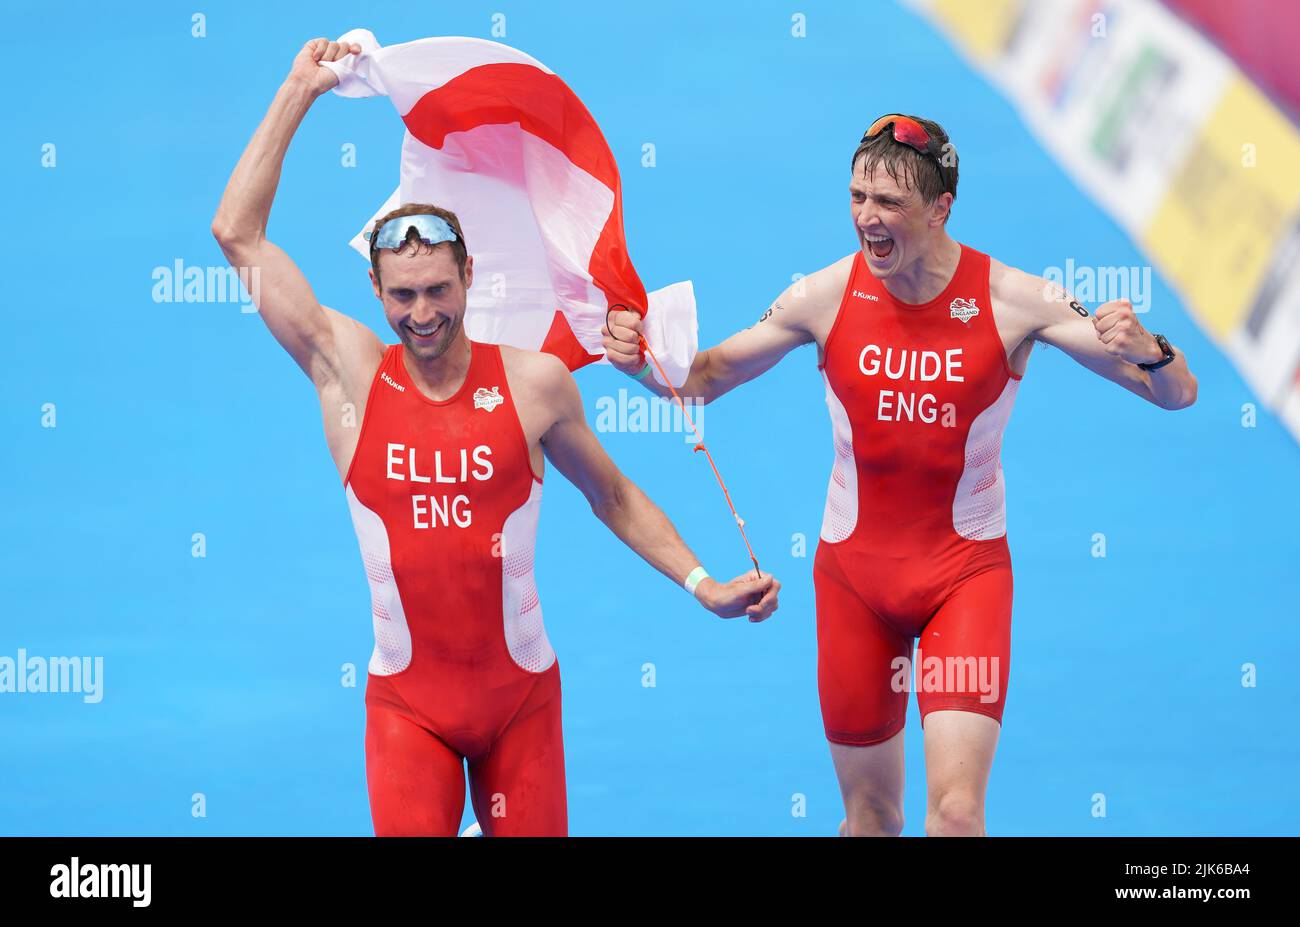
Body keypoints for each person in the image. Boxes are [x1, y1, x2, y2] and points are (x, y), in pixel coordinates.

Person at [211, 37, 780, 836]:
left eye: (439, 289)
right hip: (408, 712)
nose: (423, 313)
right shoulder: (347, 373)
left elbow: (611, 495)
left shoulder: (533, 382)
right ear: (374, 286)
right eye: (403, 294)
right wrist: (298, 90)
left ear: (470, 277)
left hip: (522, 707)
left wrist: (703, 583)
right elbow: (237, 233)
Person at [603, 113, 1197, 837]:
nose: (867, 219)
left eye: (888, 204)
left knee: (954, 813)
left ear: (942, 208)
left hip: (964, 578)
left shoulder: (1015, 301)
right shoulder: (823, 296)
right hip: (855, 583)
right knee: (871, 818)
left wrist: (1153, 349)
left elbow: (1175, 393)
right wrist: (640, 362)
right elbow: (701, 377)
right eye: (857, 197)